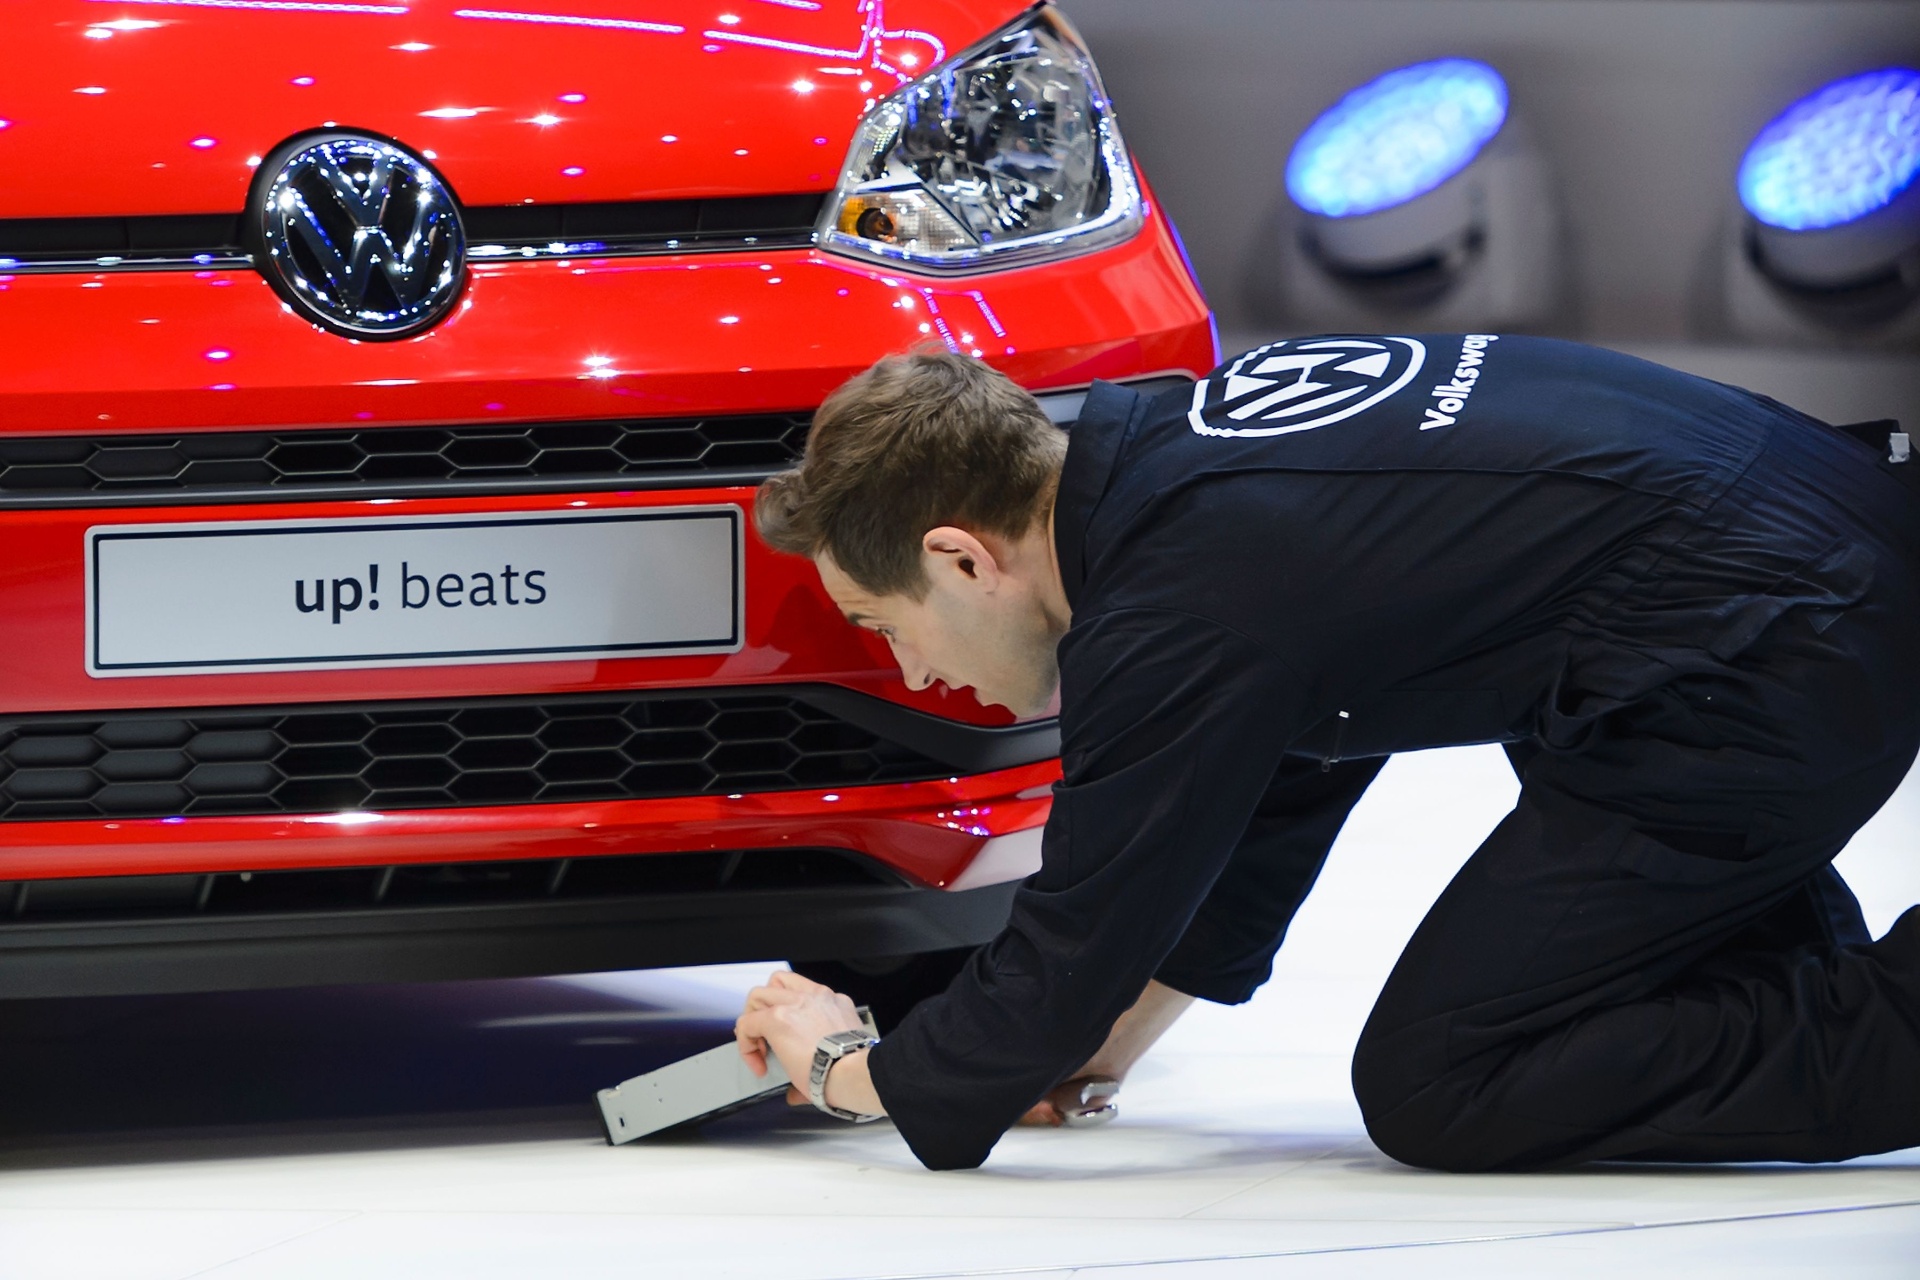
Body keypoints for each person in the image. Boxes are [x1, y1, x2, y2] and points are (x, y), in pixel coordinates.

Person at [732, 334, 1920, 1173]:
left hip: (1774, 655)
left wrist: (853, 1066)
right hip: (1787, 581)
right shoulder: (1164, 458)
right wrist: (1114, 1033)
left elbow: (1075, 932)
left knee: (1445, 1080)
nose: (920, 674)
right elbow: (1293, 758)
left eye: (888, 625)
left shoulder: (1168, 605)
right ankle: (1799, 984)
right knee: (1605, 989)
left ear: (960, 557)